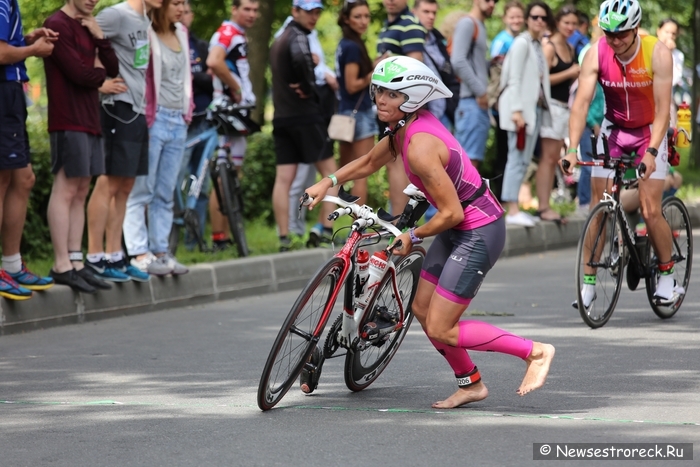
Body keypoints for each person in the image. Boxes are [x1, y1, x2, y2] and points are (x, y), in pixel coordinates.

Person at [304, 56, 555, 408]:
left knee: (442, 327)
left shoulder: (420, 146)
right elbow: (369, 162)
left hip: (479, 230)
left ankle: (535, 352)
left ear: (412, 98)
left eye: (391, 94)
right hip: (458, 226)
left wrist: (413, 235)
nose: (380, 99)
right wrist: (325, 182)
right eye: (379, 91)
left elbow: (451, 213)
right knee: (421, 308)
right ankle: (470, 383)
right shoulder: (403, 127)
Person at [562, 0, 678, 306]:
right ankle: (588, 284)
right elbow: (581, 104)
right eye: (608, 33)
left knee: (650, 209)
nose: (614, 40)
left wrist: (652, 151)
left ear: (636, 28)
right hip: (614, 129)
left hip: (649, 130)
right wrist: (572, 149)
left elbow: (664, 109)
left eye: (621, 34)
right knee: (599, 208)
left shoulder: (658, 53)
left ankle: (667, 275)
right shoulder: (595, 53)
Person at [44, 0, 119, 293]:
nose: (92, 0)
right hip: (67, 119)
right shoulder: (57, 25)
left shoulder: (89, 24)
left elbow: (111, 68)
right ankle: (61, 264)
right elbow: (80, 74)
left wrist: (100, 36)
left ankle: (76, 261)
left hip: (90, 117)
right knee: (65, 189)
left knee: (81, 189)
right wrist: (97, 72)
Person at [86, 0, 161, 283]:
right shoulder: (115, 15)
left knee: (127, 185)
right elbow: (84, 43)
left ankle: (115, 254)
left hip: (138, 109)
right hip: (117, 106)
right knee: (108, 181)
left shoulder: (145, 19)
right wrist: (98, 81)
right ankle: (94, 257)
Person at [125, 0, 192, 276]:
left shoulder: (182, 33)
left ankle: (161, 251)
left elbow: (186, 76)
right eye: (175, 2)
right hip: (155, 118)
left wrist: (188, 111)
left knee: (166, 192)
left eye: (184, 2)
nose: (181, 7)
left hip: (179, 119)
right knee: (142, 189)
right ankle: (139, 253)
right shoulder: (145, 31)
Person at [269, 0, 339, 252]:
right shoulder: (299, 37)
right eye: (308, 11)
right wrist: (310, 87)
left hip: (282, 118)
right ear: (295, 11)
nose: (314, 17)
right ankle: (324, 229)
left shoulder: (279, 39)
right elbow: (300, 57)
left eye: (317, 12)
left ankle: (284, 238)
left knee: (283, 180)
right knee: (334, 175)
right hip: (306, 118)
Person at [0, 0, 57, 300]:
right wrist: (32, 51)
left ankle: (12, 263)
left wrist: (26, 40)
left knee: (23, 179)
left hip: (12, 93)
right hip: (4, 94)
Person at [206, 0, 259, 251]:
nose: (252, 14)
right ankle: (219, 237)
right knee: (223, 172)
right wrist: (237, 90)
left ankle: (226, 235)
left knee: (232, 172)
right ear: (234, 9)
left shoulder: (237, 34)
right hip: (225, 111)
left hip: (235, 111)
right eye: (246, 9)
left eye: (255, 10)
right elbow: (214, 61)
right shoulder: (227, 32)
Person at [498, 1, 553, 227]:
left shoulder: (536, 44)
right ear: (528, 20)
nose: (539, 21)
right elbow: (514, 79)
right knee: (517, 160)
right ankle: (511, 209)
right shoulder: (522, 43)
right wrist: (517, 111)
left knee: (523, 160)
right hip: (520, 112)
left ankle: (515, 207)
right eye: (534, 17)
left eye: (543, 17)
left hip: (534, 110)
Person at [376, 0, 425, 215]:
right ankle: (399, 220)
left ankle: (399, 222)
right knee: (393, 163)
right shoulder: (388, 25)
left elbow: (416, 67)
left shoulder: (409, 24)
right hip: (390, 105)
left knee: (396, 162)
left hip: (399, 107)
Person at [174, 0, 214, 251]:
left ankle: (195, 242)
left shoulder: (200, 45)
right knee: (176, 180)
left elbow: (210, 79)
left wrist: (194, 77)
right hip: (178, 122)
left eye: (186, 10)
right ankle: (172, 241)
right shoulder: (167, 40)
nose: (182, 14)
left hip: (201, 120)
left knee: (200, 181)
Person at [537, 5, 579, 224]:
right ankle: (543, 206)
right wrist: (570, 72)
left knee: (555, 158)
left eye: (573, 23)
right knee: (548, 158)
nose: (570, 27)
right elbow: (541, 79)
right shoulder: (550, 46)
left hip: (564, 107)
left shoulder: (570, 48)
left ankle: (547, 204)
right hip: (550, 107)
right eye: (566, 23)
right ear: (558, 22)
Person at [334, 0, 376, 205]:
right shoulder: (352, 47)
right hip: (359, 114)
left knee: (341, 172)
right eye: (357, 17)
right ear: (346, 19)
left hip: (345, 113)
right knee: (361, 173)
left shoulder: (345, 44)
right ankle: (357, 229)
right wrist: (374, 72)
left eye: (366, 16)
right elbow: (352, 85)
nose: (363, 21)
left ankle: (326, 224)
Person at [451, 0, 496, 171]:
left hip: (476, 103)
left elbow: (472, 63)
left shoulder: (480, 25)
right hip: (470, 102)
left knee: (472, 162)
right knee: (467, 163)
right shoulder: (467, 23)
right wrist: (481, 91)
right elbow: (458, 60)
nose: (492, 4)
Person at [489, 0, 525, 202]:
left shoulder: (522, 39)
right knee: (504, 152)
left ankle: (509, 196)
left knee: (514, 152)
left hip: (515, 105)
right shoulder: (501, 41)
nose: (516, 20)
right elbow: (497, 76)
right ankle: (500, 197)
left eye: (519, 16)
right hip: (503, 106)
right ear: (505, 18)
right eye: (512, 16)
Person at [655, 18, 683, 126]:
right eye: (666, 32)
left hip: (667, 102)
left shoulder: (678, 55)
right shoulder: (649, 49)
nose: (670, 36)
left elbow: (675, 79)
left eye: (673, 34)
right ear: (658, 31)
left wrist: (669, 53)